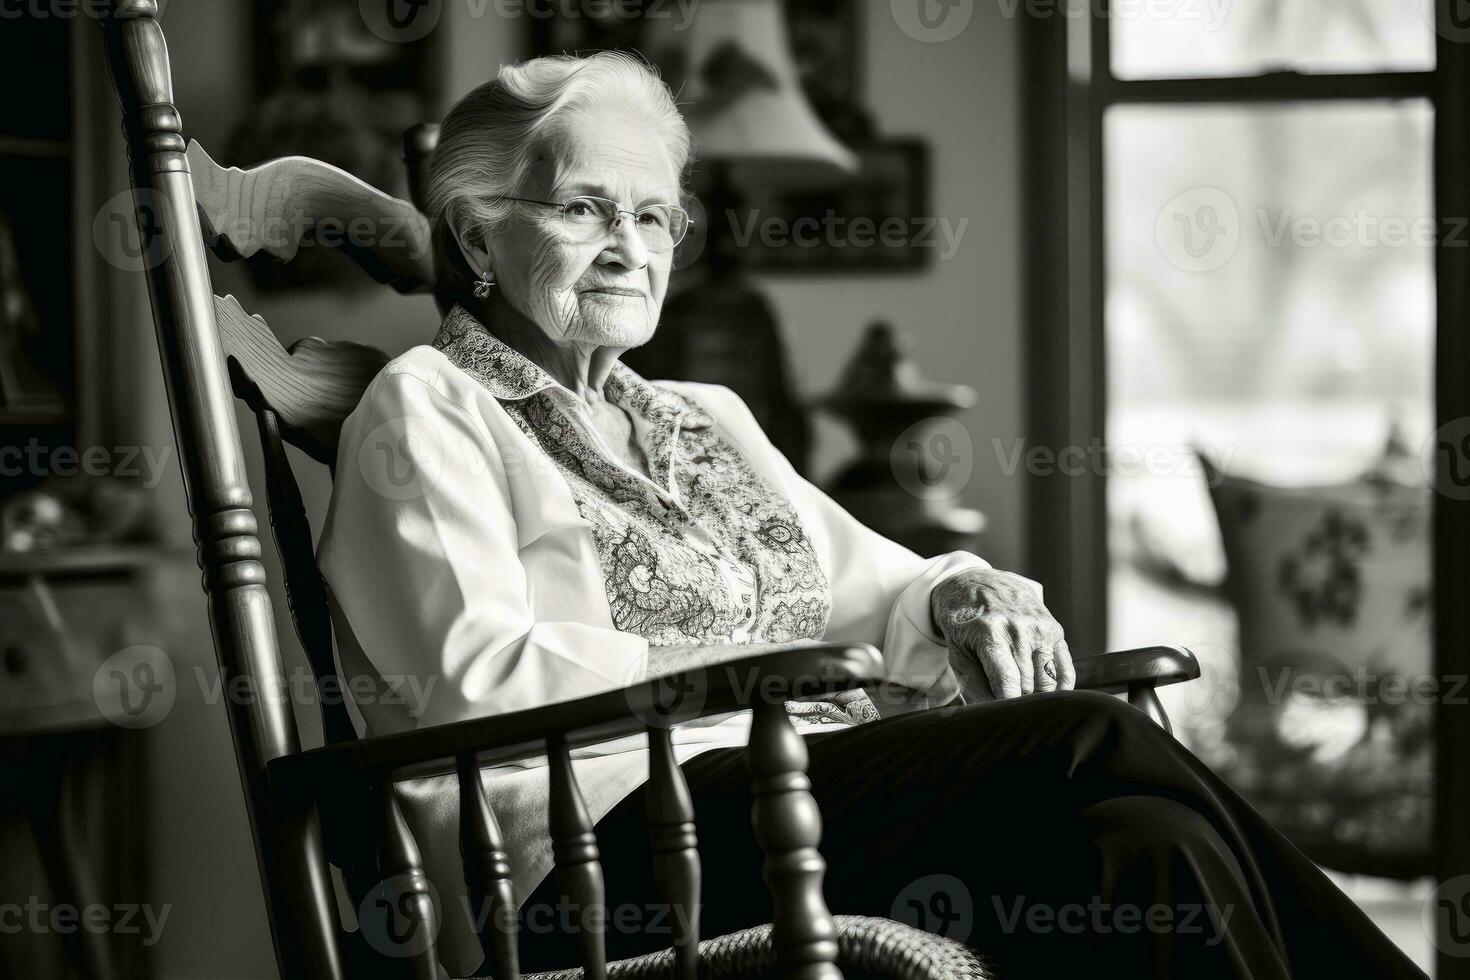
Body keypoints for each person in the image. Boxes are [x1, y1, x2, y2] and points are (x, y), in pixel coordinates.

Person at [316, 51, 1425, 979]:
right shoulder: (426, 410)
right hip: (602, 855)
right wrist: (759, 664)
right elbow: (475, 679)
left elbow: (877, 582)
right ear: (475, 237)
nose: (632, 248)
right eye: (584, 208)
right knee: (1088, 733)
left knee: (1143, 846)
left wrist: (959, 590)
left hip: (793, 797)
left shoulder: (702, 415)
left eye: (655, 215)